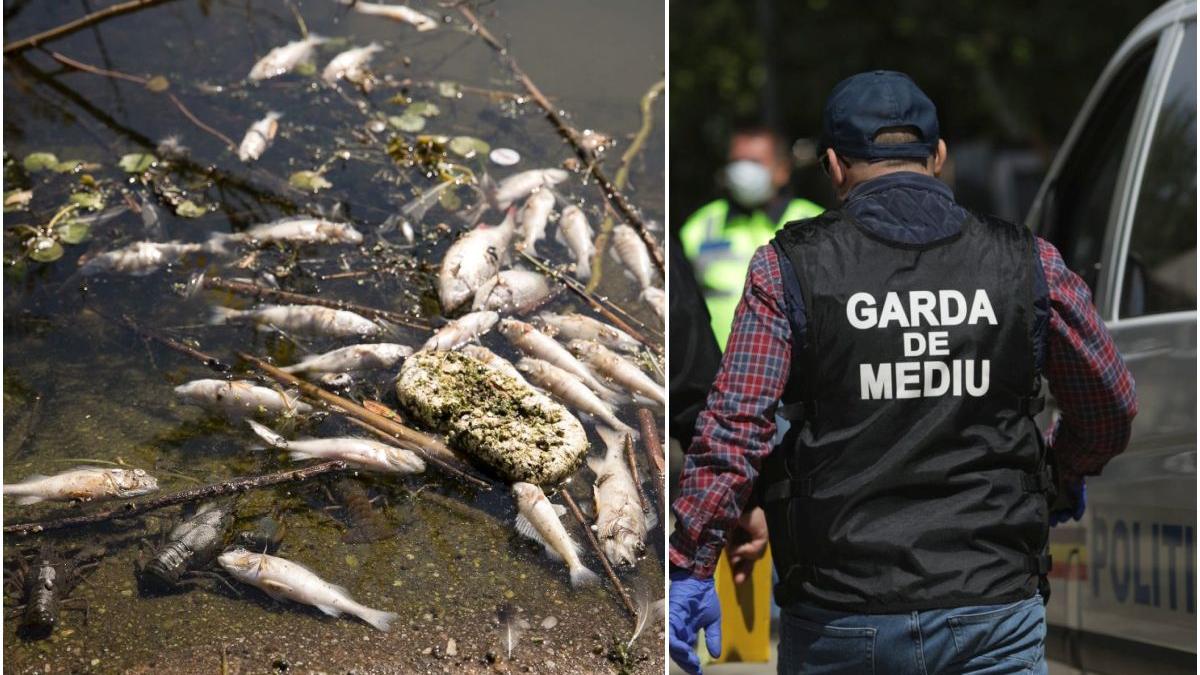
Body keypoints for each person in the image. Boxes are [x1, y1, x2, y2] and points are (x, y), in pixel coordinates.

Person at [669, 71, 1137, 675]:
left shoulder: (787, 268)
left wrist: (690, 562)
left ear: (834, 166)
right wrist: (1060, 474)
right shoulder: (1028, 261)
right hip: (993, 610)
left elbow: (734, 428)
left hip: (843, 617)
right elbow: (1111, 405)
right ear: (938, 157)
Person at [679, 124, 824, 349]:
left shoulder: (815, 223)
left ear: (782, 170)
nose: (743, 172)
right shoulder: (700, 225)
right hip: (716, 369)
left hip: (797, 371)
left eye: (755, 163)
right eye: (737, 162)